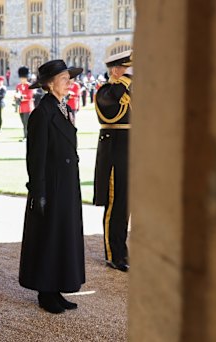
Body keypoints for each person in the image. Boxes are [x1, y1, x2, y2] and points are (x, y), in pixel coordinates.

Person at [19, 59, 86, 314]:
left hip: (66, 184)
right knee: (49, 238)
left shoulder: (63, 107)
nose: (69, 83)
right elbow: (35, 157)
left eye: (69, 78)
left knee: (63, 236)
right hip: (52, 185)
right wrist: (39, 192)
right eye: (64, 79)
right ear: (49, 84)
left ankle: (57, 288)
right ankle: (45, 292)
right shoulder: (42, 113)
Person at [93, 50, 133, 272]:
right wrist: (125, 80)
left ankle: (124, 250)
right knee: (116, 205)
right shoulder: (105, 92)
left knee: (128, 205)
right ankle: (113, 254)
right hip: (116, 152)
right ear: (117, 70)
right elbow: (113, 100)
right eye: (128, 70)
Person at [14, 66, 34, 140]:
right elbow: (16, 95)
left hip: (28, 107)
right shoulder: (18, 86)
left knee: (27, 123)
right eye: (21, 78)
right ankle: (25, 135)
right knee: (23, 123)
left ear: (26, 78)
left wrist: (21, 96)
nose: (22, 80)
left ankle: (26, 136)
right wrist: (16, 97)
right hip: (21, 107)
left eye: (23, 78)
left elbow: (29, 96)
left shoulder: (29, 86)